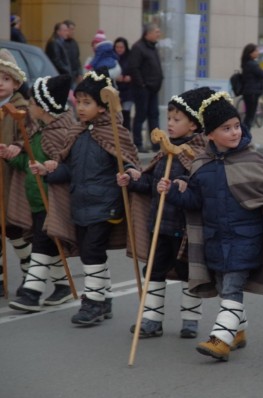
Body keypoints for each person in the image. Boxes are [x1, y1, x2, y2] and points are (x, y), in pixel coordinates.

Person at [157, 88, 263, 361]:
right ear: (210, 134)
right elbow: (195, 201)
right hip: (215, 240)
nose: (235, 132)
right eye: (226, 128)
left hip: (243, 239)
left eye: (237, 126)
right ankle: (238, 331)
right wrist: (175, 191)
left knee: (231, 288)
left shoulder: (252, 159)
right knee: (223, 286)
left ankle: (220, 339)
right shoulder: (201, 163)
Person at [30, 67, 139, 325]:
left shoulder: (115, 132)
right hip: (80, 203)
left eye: (87, 102)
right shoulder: (77, 133)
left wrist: (131, 174)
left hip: (105, 205)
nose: (80, 107)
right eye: (78, 102)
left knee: (91, 252)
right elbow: (68, 168)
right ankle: (105, 298)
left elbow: (130, 162)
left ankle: (92, 303)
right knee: (92, 253)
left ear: (103, 106)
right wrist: (48, 171)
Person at [117, 88, 205, 338]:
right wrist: (133, 180)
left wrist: (179, 185)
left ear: (193, 124)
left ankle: (190, 320)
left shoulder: (199, 152)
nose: (170, 124)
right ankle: (152, 320)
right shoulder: (164, 150)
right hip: (160, 226)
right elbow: (148, 183)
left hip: (184, 228)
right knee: (154, 272)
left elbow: (201, 188)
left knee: (189, 274)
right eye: (169, 119)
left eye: (177, 120)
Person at [5, 74, 75, 312]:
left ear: (44, 108)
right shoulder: (37, 130)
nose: (29, 106)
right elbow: (29, 164)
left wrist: (51, 169)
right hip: (36, 199)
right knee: (47, 244)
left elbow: (66, 165)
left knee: (42, 244)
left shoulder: (58, 133)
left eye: (33, 102)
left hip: (52, 201)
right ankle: (63, 286)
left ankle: (31, 293)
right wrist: (13, 155)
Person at [0, 49, 33, 297]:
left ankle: (29, 272)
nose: (0, 84)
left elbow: (31, 134)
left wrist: (18, 147)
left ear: (16, 83)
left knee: (14, 230)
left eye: (5, 79)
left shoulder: (22, 108)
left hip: (11, 178)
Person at [129, 23, 164, 153]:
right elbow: (134, 67)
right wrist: (142, 84)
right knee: (140, 115)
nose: (158, 34)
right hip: (143, 89)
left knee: (154, 115)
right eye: (156, 31)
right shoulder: (138, 47)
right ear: (148, 34)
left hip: (153, 89)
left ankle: (156, 143)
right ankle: (138, 143)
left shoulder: (153, 47)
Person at [240, 43, 263, 132]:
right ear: (251, 53)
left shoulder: (246, 63)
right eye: (256, 51)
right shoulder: (252, 64)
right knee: (250, 116)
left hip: (248, 92)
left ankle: (244, 135)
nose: (258, 53)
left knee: (249, 115)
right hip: (252, 93)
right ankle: (245, 136)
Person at [114, 37, 133, 131]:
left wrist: (130, 77)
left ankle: (126, 134)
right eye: (117, 47)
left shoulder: (130, 58)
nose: (119, 49)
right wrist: (115, 77)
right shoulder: (112, 59)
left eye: (121, 47)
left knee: (126, 113)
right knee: (116, 114)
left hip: (128, 91)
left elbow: (135, 70)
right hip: (115, 90)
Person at [63, 20, 81, 87]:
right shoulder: (61, 44)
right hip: (65, 74)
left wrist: (79, 73)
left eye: (73, 29)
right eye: (71, 29)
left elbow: (77, 59)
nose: (73, 32)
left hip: (74, 75)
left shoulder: (74, 43)